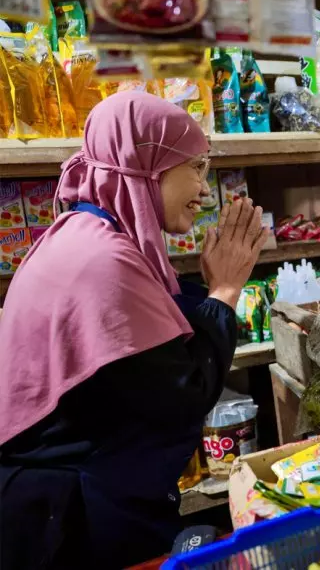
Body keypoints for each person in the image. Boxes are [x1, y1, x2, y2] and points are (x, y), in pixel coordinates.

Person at [0, 92, 268, 568]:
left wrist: (211, 290)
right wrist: (226, 289)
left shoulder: (84, 233)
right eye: (197, 167)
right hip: (68, 516)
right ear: (148, 168)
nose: (206, 189)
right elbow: (184, 390)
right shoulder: (100, 263)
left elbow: (151, 342)